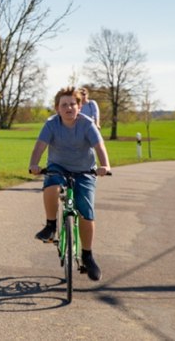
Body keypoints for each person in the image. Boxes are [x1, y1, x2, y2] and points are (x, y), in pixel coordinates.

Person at [28, 86, 110, 281]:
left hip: (84, 172)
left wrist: (105, 165)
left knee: (86, 213)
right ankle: (50, 226)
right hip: (58, 167)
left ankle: (88, 256)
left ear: (79, 107)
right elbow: (40, 146)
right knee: (51, 186)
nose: (69, 108)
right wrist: (34, 164)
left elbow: (100, 146)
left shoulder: (87, 124)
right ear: (57, 108)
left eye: (73, 104)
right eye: (64, 105)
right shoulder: (51, 124)